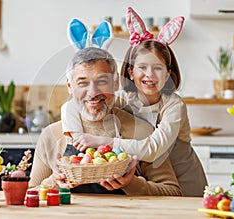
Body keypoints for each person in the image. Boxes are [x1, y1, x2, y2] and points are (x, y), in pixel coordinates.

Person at [60, 7, 207, 197]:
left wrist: (102, 141)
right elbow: (71, 104)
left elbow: (153, 150)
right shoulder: (125, 99)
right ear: (131, 72)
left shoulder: (174, 106)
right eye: (142, 67)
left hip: (184, 179)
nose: (149, 75)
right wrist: (76, 137)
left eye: (158, 68)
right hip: (153, 176)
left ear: (168, 74)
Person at [29, 43, 182, 196]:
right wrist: (55, 182)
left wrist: (132, 184)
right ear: (70, 86)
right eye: (82, 83)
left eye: (102, 81)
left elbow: (173, 192)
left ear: (115, 83)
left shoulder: (143, 132)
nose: (93, 92)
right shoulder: (51, 135)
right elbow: (30, 195)